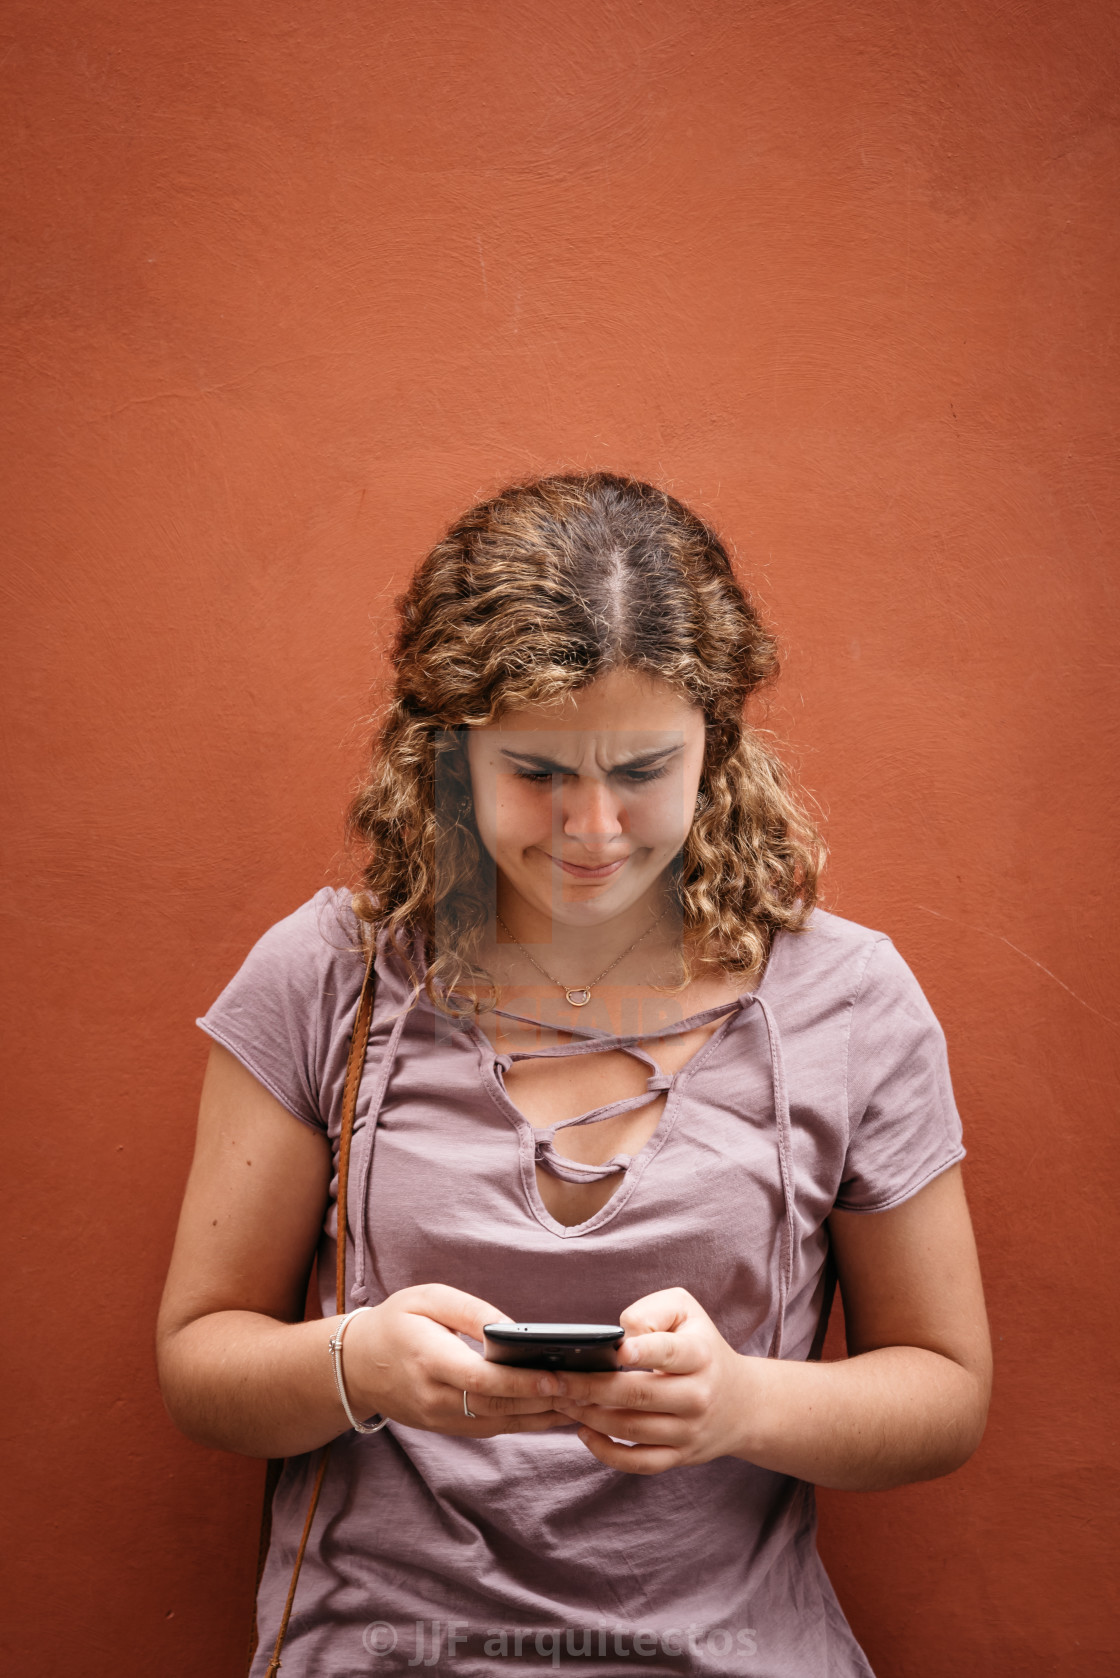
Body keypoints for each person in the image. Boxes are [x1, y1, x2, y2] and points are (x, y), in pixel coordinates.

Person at [157, 472, 992, 1678]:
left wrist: (740, 1402)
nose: (593, 831)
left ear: (716, 742)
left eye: (642, 769)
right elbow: (199, 1360)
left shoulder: (851, 999)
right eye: (537, 774)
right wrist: (358, 1364)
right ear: (446, 751)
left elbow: (946, 1390)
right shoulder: (327, 975)